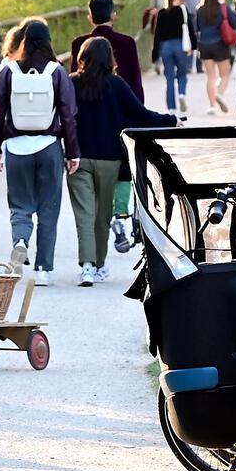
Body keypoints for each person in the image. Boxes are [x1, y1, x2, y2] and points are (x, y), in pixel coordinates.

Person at [66, 36, 173, 287]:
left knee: (84, 215)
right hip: (109, 160)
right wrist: (171, 120)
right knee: (102, 216)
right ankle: (99, 264)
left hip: (78, 159)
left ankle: (88, 266)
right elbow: (142, 115)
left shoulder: (72, 84)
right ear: (110, 59)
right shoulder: (116, 85)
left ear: (82, 57)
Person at [0, 17, 80, 286]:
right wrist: (72, 152)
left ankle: (20, 241)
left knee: (20, 205)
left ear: (24, 41)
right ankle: (43, 271)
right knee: (48, 210)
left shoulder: (9, 71)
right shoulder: (56, 72)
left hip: (16, 149)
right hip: (48, 147)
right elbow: (68, 115)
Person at [71, 0, 145, 99]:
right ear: (113, 15)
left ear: (90, 18)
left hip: (89, 103)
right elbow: (134, 79)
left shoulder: (79, 43)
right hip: (121, 104)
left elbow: (74, 79)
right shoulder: (127, 42)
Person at [191, 0, 236, 115]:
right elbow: (235, 23)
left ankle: (211, 106)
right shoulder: (222, 7)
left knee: (210, 76)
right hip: (220, 45)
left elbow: (197, 28)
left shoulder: (200, 9)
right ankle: (219, 93)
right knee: (225, 74)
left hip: (205, 45)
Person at [151, 0, 196, 114]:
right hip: (179, 45)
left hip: (165, 47)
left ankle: (171, 108)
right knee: (182, 74)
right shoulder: (182, 10)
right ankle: (181, 94)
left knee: (169, 77)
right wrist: (193, 46)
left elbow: (157, 34)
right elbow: (190, 29)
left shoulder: (161, 13)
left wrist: (155, 53)